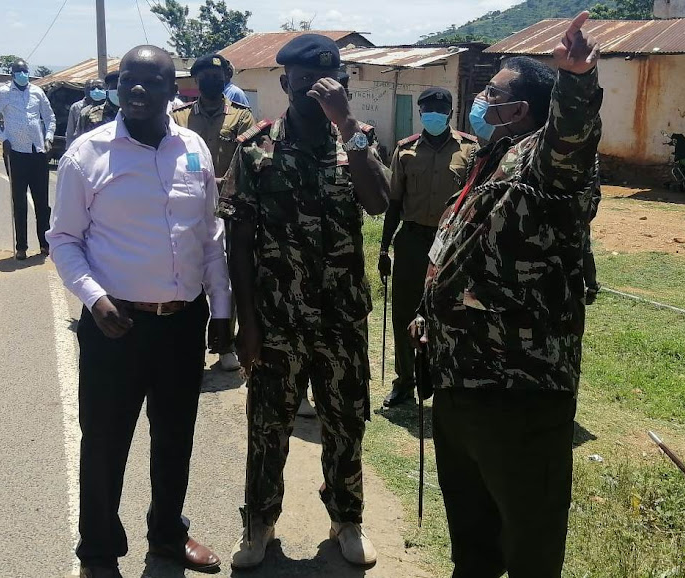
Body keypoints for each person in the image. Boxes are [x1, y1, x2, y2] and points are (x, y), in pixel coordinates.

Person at [410, 13, 602, 578]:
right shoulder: (493, 156)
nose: (478, 100)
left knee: (528, 547)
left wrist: (575, 82)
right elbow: (462, 249)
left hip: (517, 388)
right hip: (459, 381)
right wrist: (429, 314)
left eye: (492, 93)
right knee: (473, 541)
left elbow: (570, 142)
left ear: (520, 110)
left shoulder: (551, 166)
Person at [47, 45, 226, 578]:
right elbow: (62, 239)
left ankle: (168, 533)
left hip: (183, 322)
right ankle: (98, 551)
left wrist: (221, 306)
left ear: (174, 89)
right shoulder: (88, 154)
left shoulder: (194, 148)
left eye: (151, 80)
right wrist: (94, 299)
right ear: (117, 86)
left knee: (175, 436)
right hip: (114, 324)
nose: (138, 89)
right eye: (129, 79)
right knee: (105, 442)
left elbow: (210, 233)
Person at [219, 34, 389, 569]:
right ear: (284, 82)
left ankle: (347, 519)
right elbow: (239, 243)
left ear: (341, 81)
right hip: (276, 322)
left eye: (329, 77)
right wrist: (246, 325)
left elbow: (379, 201)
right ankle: (259, 524)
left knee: (345, 423)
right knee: (268, 426)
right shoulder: (256, 149)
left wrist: (347, 126)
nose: (316, 86)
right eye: (302, 78)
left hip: (341, 319)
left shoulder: (357, 141)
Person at [378, 87, 477, 407]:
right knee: (405, 312)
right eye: (427, 109)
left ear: (449, 112)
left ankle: (445, 380)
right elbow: (394, 203)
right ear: (421, 113)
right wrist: (383, 249)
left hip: (451, 243)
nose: (432, 114)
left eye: (439, 109)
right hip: (412, 240)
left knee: (450, 312)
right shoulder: (405, 150)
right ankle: (405, 380)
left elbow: (475, 202)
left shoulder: (470, 150)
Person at [173, 54, 255, 371]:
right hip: (188, 207)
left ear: (226, 79)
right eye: (205, 74)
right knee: (188, 269)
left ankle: (225, 344)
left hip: (229, 206)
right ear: (196, 80)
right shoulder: (178, 117)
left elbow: (249, 158)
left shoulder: (242, 117)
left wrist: (221, 181)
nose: (211, 79)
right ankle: (190, 341)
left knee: (229, 274)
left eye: (217, 75)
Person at [0, 58, 56, 260]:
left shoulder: (37, 92)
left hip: (38, 151)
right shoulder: (3, 93)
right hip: (15, 152)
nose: (23, 75)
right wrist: (3, 138)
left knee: (42, 201)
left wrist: (49, 137)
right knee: (20, 200)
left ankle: (45, 243)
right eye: (19, 72)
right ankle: (21, 246)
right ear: (12, 74)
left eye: (25, 71)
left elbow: (49, 117)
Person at [76, 71, 120, 137]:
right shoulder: (90, 113)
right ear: (107, 90)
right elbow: (80, 138)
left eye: (119, 88)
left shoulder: (134, 113)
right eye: (114, 88)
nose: (117, 92)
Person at [66, 79, 105, 147]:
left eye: (100, 88)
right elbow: (74, 132)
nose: (96, 91)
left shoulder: (112, 109)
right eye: (92, 88)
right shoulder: (84, 111)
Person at [584, 179, 602, 304]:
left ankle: (591, 286)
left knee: (584, 250)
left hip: (579, 215)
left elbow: (595, 193)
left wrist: (588, 215)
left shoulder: (589, 163)